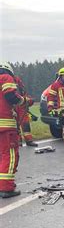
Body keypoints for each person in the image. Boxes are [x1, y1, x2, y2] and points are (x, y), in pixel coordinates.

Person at [0, 62, 25, 198]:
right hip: (5, 127)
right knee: (9, 155)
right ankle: (6, 188)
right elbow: (11, 96)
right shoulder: (5, 78)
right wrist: (21, 100)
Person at [14, 75, 37, 147]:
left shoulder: (19, 83)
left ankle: (29, 140)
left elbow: (25, 95)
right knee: (15, 125)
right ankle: (18, 142)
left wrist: (30, 100)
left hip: (22, 107)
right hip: (13, 107)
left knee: (26, 125)